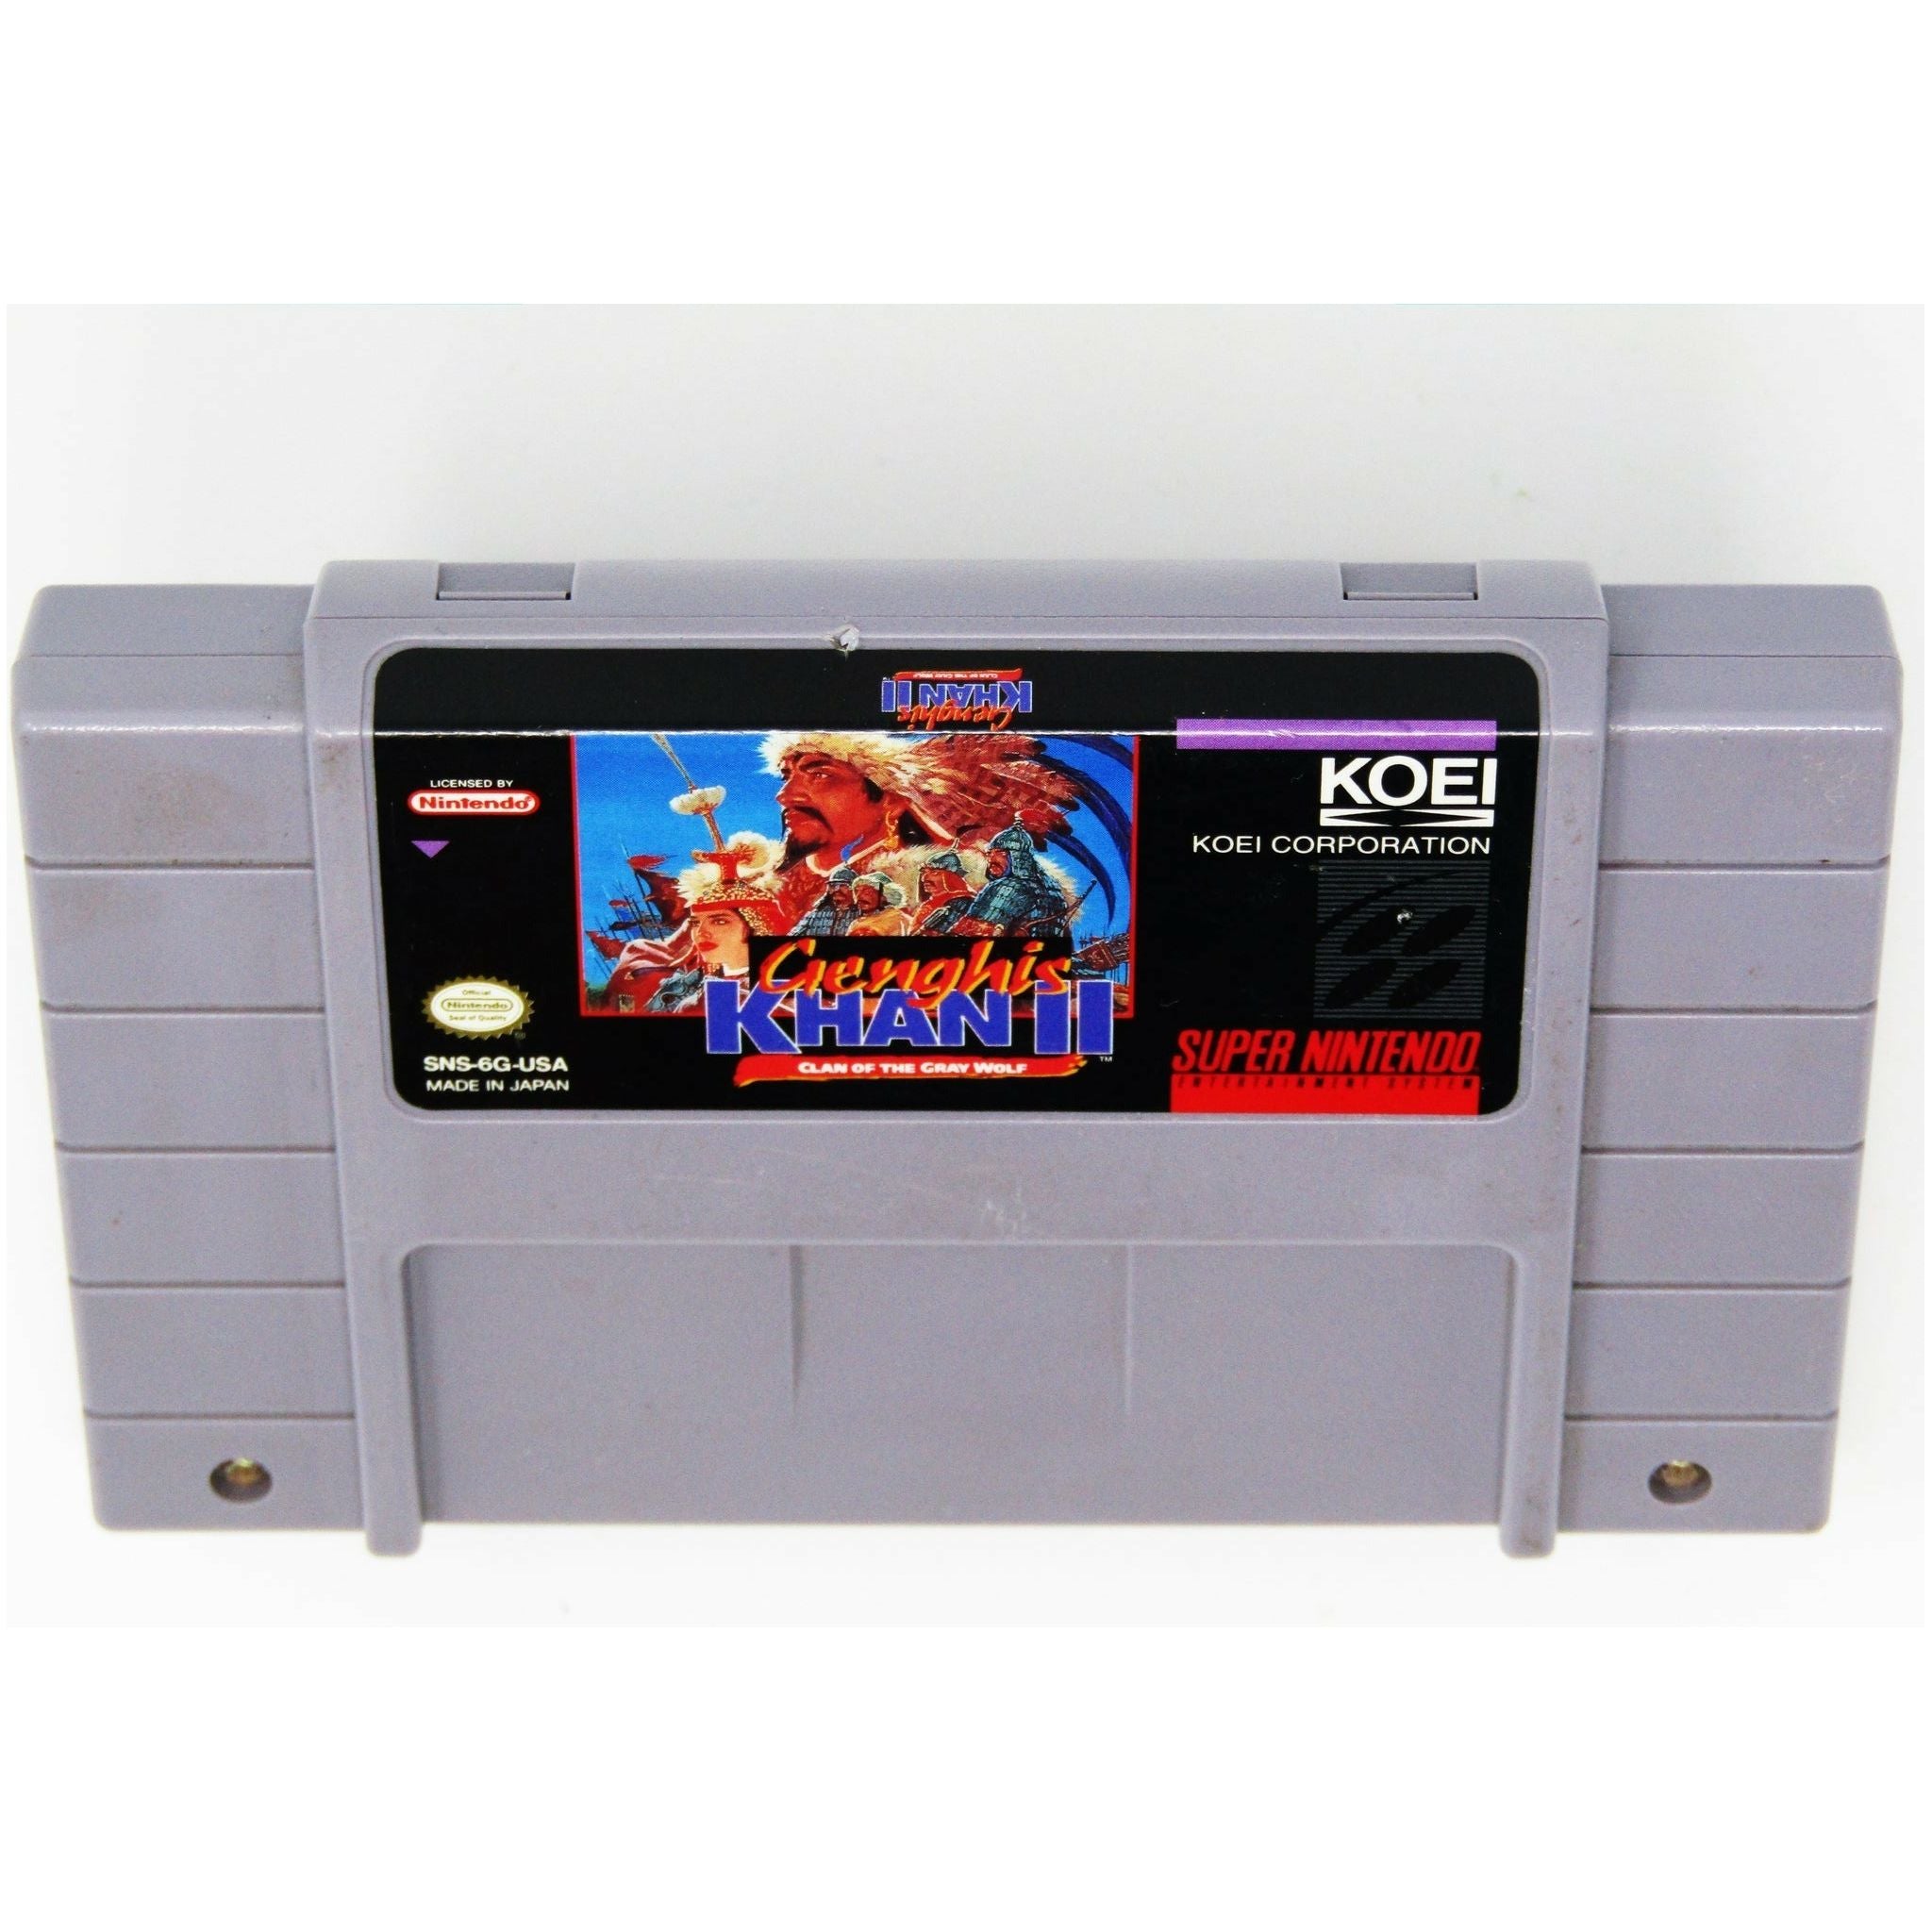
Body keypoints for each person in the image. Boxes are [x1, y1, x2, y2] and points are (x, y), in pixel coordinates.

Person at [948, 817, 1074, 940]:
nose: (991, 859)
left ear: (1017, 857)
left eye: (1000, 853)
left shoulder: (1009, 886)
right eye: (989, 853)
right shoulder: (1051, 890)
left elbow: (972, 933)